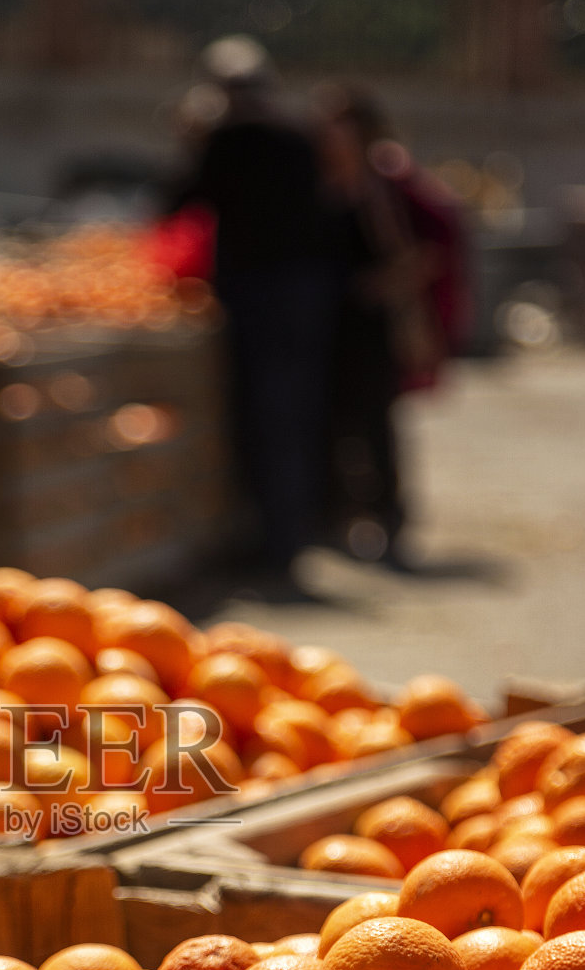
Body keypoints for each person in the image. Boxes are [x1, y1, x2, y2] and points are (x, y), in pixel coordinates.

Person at [163, 38, 335, 591]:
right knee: (293, 413)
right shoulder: (301, 138)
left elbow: (182, 204)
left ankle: (274, 543)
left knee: (264, 416)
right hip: (305, 291)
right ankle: (291, 534)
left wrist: (192, 141)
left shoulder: (227, 141)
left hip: (258, 293)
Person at [316, 85, 470, 566]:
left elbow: (435, 247)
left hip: (374, 325)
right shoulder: (320, 184)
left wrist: (381, 284)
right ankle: (343, 516)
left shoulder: (389, 183)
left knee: (375, 422)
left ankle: (389, 519)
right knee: (333, 422)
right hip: (331, 322)